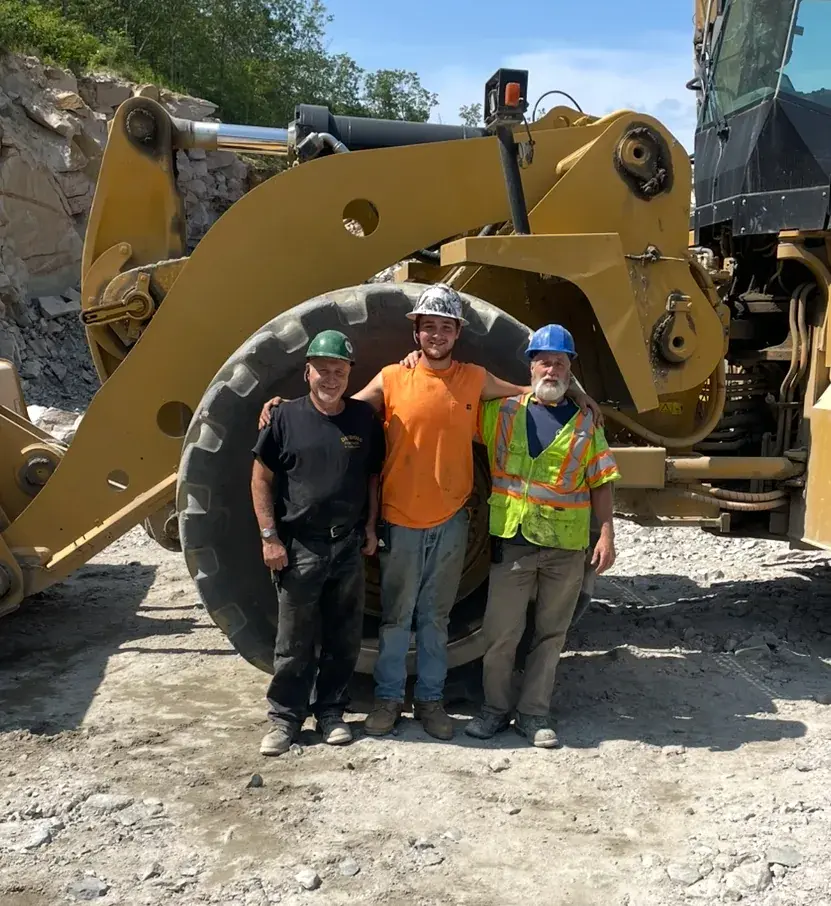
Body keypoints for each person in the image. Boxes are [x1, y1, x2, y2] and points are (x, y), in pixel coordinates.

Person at [258, 285, 601, 742]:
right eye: (429, 326)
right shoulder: (392, 378)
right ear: (416, 332)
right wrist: (282, 407)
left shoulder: (475, 378)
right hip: (400, 519)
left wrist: (579, 396)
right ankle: (387, 702)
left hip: (453, 520)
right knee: (396, 619)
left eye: (446, 327)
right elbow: (340, 404)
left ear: (458, 332)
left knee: (435, 619)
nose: (437, 334)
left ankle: (432, 703)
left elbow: (533, 391)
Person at [464, 324, 620, 748]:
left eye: (560, 363)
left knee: (550, 636)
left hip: (566, 549)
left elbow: (601, 481)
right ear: (531, 366)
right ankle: (495, 710)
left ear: (571, 371)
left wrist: (605, 533)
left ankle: (534, 714)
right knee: (501, 635)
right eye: (544, 361)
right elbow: (455, 392)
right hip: (513, 544)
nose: (552, 369)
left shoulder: (587, 421)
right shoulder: (503, 411)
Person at [251, 329, 385, 757]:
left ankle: (331, 712)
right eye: (323, 370)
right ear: (307, 371)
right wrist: (270, 537)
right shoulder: (283, 417)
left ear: (349, 375)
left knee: (343, 637)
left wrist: (369, 526)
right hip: (300, 546)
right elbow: (261, 479)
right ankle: (285, 719)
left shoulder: (363, 419)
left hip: (346, 546)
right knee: (294, 640)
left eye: (340, 371)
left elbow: (372, 477)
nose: (331, 378)